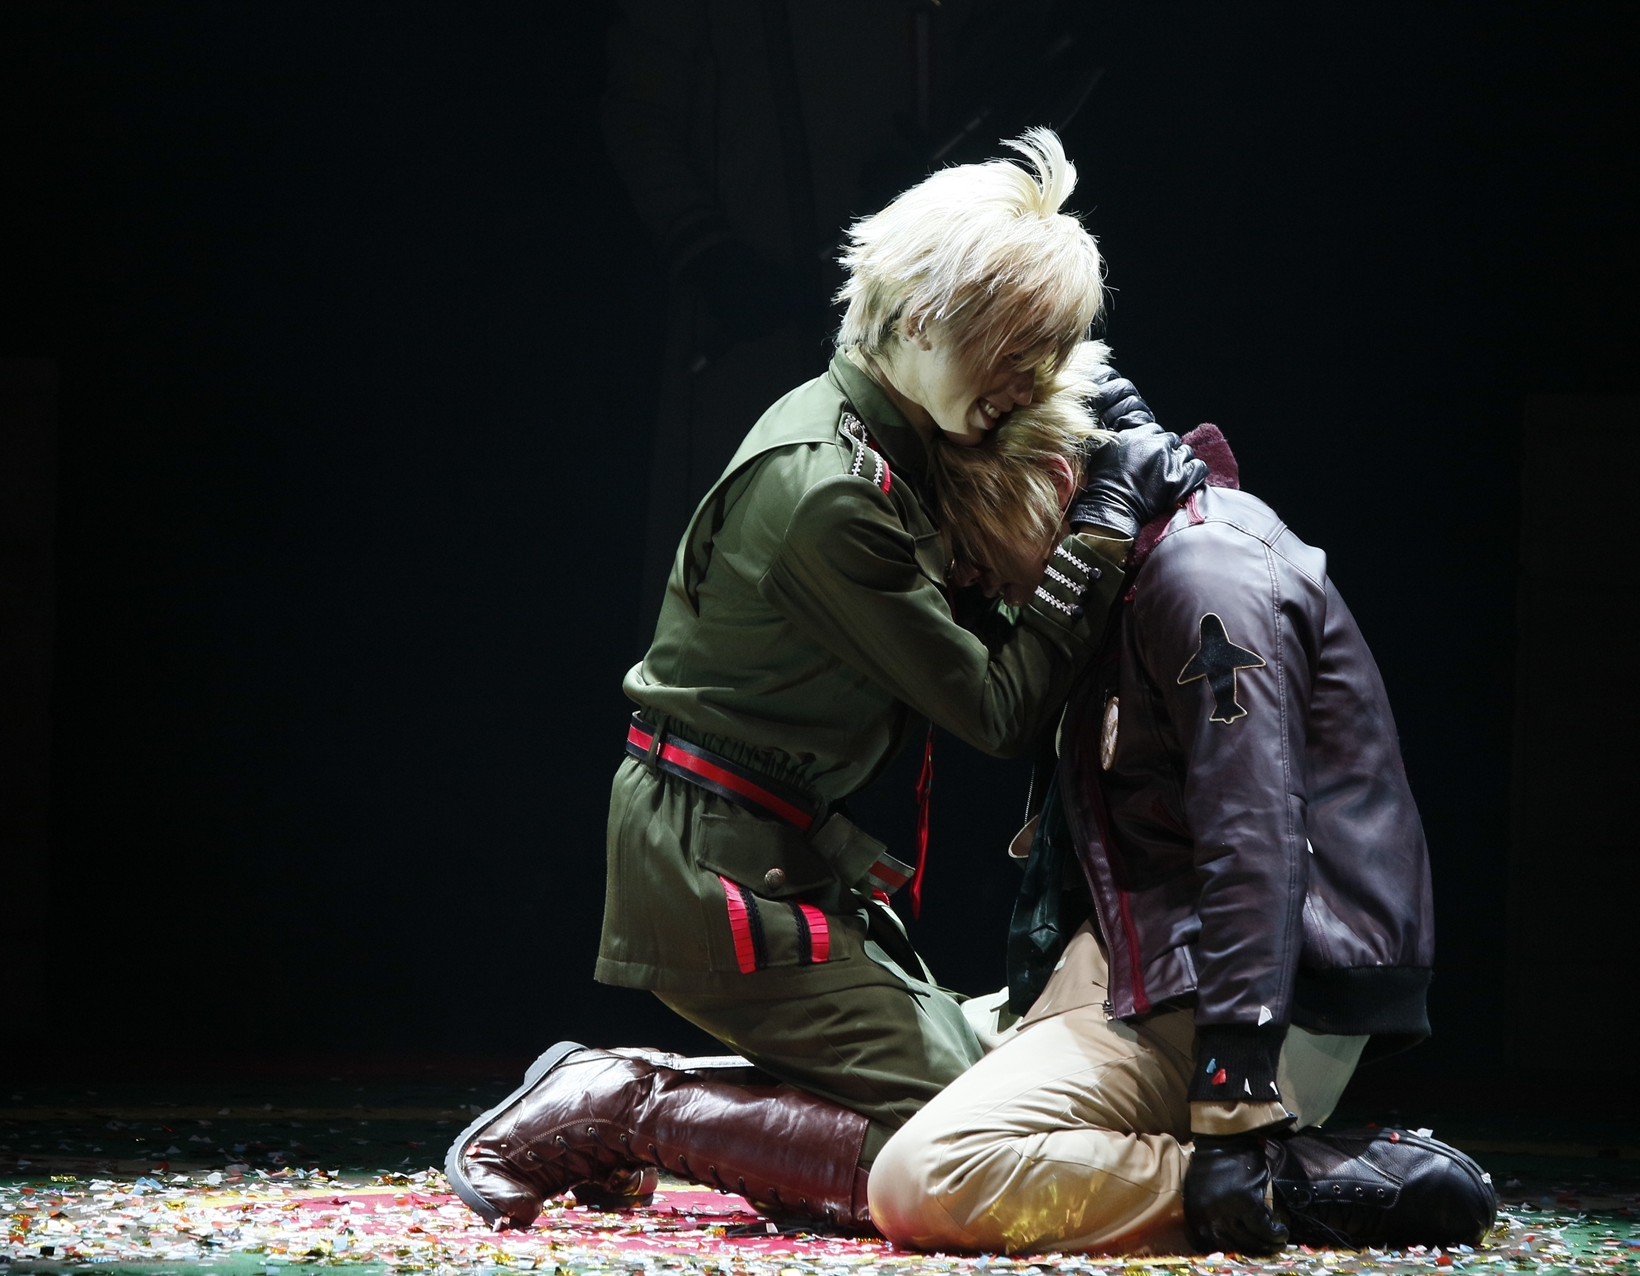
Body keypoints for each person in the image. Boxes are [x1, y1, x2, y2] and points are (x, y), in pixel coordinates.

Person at [444, 132, 1207, 1234]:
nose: (1026, 384)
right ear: (916, 316)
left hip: (772, 845)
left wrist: (1089, 451)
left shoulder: (889, 441)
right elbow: (996, 710)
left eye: (1044, 357)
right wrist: (1097, 527)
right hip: (709, 866)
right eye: (1009, 351)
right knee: (973, 1144)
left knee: (991, 1093)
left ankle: (635, 1093)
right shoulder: (831, 492)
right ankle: (630, 1101)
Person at [862, 370, 1497, 1256]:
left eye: (971, 537)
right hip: (1140, 961)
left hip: (1238, 999)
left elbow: (1255, 841)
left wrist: (1232, 1104)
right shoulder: (1139, 561)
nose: (969, 571)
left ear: (1053, 484)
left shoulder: (1206, 572)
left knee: (922, 1175)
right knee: (856, 1064)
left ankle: (1293, 1181)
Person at [604, 0, 1042, 625]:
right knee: (741, 593)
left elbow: (1016, 107)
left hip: (923, 334)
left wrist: (955, 183)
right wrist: (709, 252)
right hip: (752, 322)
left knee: (909, 603)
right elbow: (640, 107)